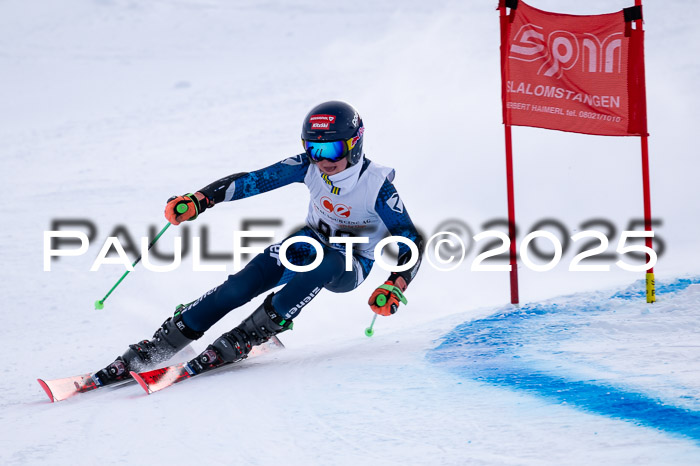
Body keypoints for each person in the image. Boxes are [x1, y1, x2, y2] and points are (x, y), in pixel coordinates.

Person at [95, 100, 423, 383]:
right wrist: (201, 199)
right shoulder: (307, 167)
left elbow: (409, 237)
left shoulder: (376, 184)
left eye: (332, 148)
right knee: (239, 286)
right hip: (308, 242)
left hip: (349, 264)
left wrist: (396, 281)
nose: (323, 159)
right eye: (314, 149)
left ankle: (248, 336)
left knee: (327, 262)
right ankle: (165, 342)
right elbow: (254, 180)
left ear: (354, 144)